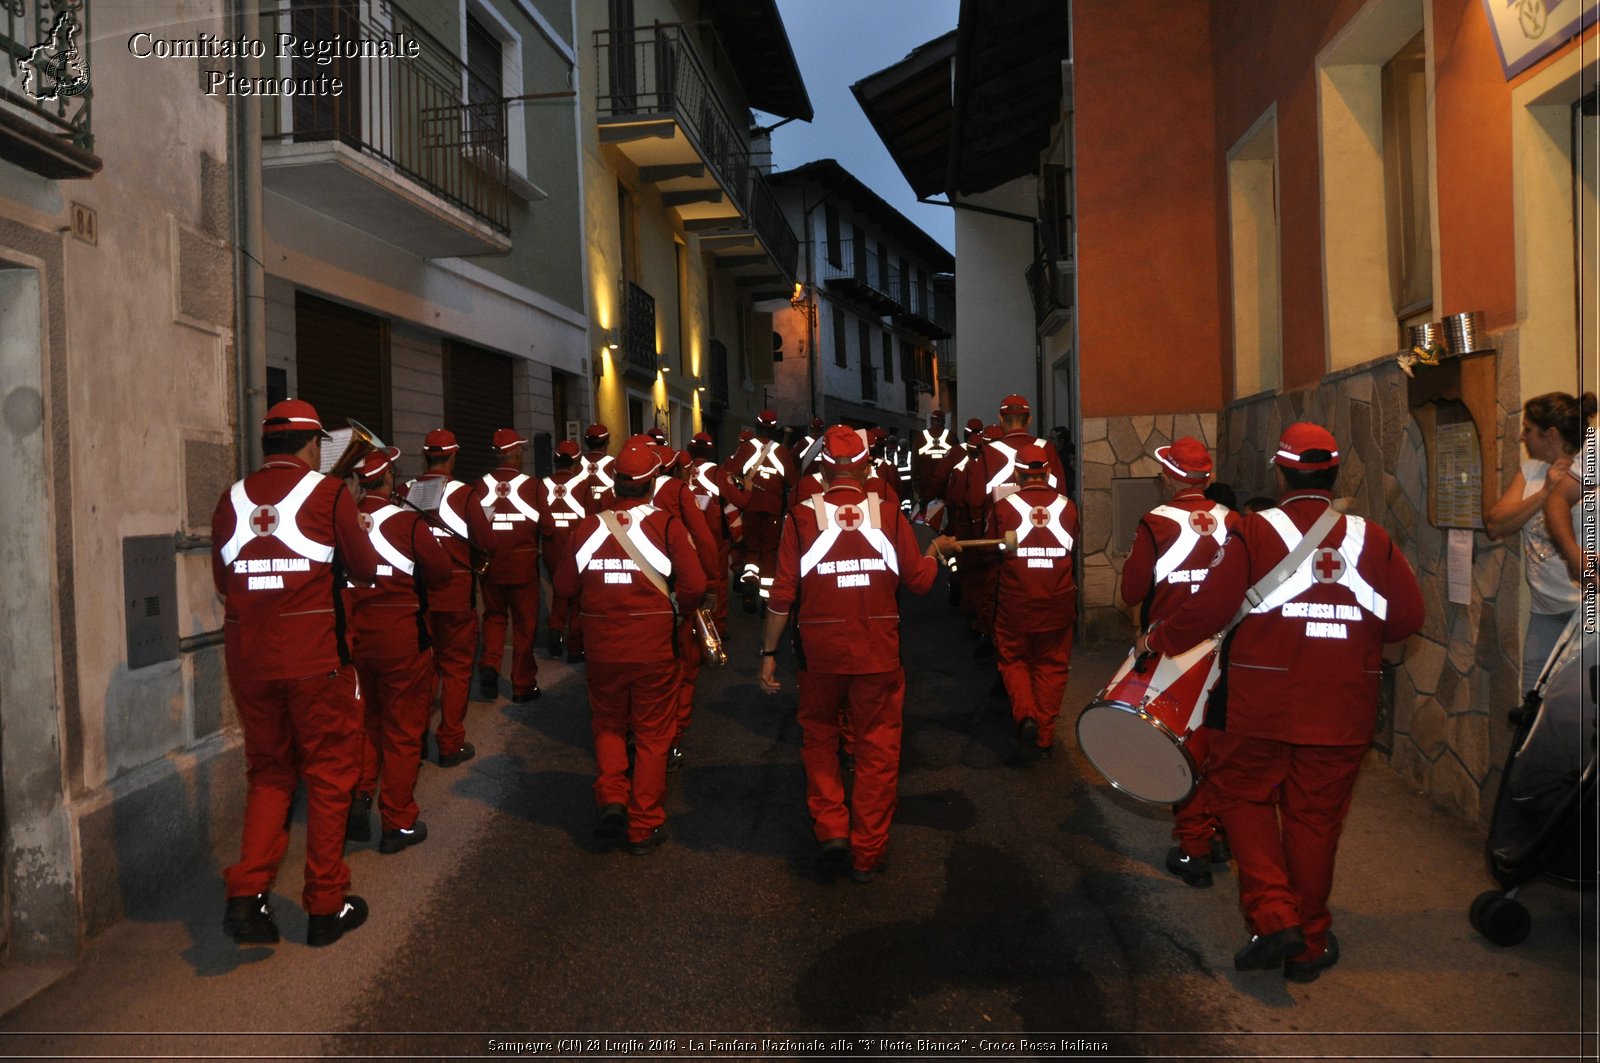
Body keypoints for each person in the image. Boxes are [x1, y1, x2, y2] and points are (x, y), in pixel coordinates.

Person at [1139, 422, 1423, 982]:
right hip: (1342, 706)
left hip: (1258, 704)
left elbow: (1207, 611)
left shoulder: (1253, 531)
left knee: (1240, 797)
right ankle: (1309, 943)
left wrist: (1157, 640)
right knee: (1315, 822)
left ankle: (1274, 918)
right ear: (1334, 472)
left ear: (1280, 470)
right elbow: (1407, 620)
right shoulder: (1372, 536)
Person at [211, 398, 382, 947]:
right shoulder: (328, 493)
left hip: (250, 659)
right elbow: (365, 567)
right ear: (313, 446)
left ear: (267, 447)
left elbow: (223, 579)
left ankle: (247, 894)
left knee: (269, 772)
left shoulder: (232, 499)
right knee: (331, 777)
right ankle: (325, 905)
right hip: (315, 660)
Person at [757, 426, 954, 883]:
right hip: (877, 649)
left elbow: (783, 593)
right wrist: (936, 552)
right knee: (877, 749)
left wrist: (768, 653)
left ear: (823, 468)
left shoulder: (800, 515)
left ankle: (831, 831)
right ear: (867, 468)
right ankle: (868, 852)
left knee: (820, 739)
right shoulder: (888, 513)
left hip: (819, 652)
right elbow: (919, 582)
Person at [553, 442, 707, 854]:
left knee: (607, 724)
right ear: (652, 482)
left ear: (616, 482)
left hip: (603, 648)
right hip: (655, 646)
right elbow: (694, 586)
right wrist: (677, 608)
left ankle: (613, 799)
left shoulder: (588, 526)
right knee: (654, 734)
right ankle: (643, 825)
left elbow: (565, 586)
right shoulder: (667, 525)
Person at [1119, 437, 1238, 888]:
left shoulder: (1155, 523)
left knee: (1183, 750)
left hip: (1175, 652)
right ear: (1207, 478)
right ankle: (1220, 834)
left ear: (1169, 477)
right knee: (1219, 749)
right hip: (1227, 650)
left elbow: (1132, 592)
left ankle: (1195, 849)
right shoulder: (1237, 521)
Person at [346, 445, 452, 855]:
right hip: (401, 638)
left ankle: (359, 797)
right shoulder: (407, 522)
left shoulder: (342, 522)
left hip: (356, 638)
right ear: (388, 479)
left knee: (368, 723)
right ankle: (397, 822)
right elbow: (441, 572)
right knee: (404, 731)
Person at [963, 443, 1079, 763]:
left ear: (1017, 473)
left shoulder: (1003, 507)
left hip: (1016, 600)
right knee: (1051, 666)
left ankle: (1026, 716)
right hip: (1058, 601)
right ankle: (1044, 737)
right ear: (1048, 473)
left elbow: (989, 552)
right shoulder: (1068, 507)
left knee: (1014, 660)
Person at [1484, 392, 1596, 691]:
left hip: (1585, 610)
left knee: (1577, 707)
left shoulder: (1590, 468)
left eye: (1528, 429)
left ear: (1551, 434)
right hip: (1544, 612)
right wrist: (1546, 492)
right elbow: (1495, 524)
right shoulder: (1532, 470)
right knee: (1532, 701)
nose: (1522, 437)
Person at [413, 429, 491, 767]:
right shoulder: (466, 495)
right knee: (457, 670)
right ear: (453, 456)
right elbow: (485, 541)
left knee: (422, 670)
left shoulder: (405, 492)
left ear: (425, 456)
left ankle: (414, 742)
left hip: (416, 597)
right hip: (456, 595)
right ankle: (449, 742)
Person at [469, 428, 544, 703]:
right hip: (523, 566)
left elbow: (474, 529)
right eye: (521, 450)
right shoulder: (533, 486)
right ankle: (522, 685)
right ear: (515, 453)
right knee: (525, 626)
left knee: (494, 617)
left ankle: (490, 663)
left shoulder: (479, 485)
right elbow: (545, 527)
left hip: (492, 566)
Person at [729, 410, 798, 610]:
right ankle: (767, 597)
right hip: (774, 510)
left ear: (757, 426)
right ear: (774, 428)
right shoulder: (782, 452)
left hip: (749, 506)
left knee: (752, 548)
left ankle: (750, 582)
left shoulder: (746, 448)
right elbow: (792, 480)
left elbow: (732, 474)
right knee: (769, 551)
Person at [540, 439, 588, 659]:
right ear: (577, 462)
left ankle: (555, 628)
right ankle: (575, 646)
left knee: (560, 589)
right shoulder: (583, 485)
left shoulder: (542, 484)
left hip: (551, 547)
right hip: (577, 545)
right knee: (578, 597)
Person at [913, 410, 954, 525]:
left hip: (926, 485)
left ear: (932, 421)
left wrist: (914, 480)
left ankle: (927, 533)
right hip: (945, 485)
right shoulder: (951, 436)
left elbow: (915, 460)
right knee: (945, 515)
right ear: (944, 422)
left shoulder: (921, 436)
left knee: (926, 514)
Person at [579, 423, 615, 507]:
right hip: (608, 515)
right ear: (607, 442)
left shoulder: (577, 464)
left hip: (585, 515)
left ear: (586, 442)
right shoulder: (615, 463)